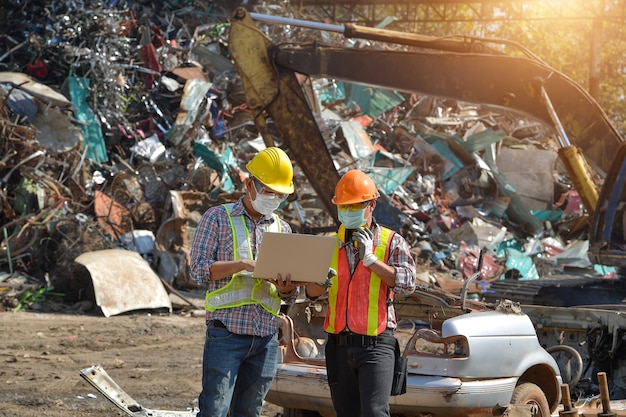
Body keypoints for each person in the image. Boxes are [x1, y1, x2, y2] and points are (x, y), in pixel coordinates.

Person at [190, 147, 300, 417]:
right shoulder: (217, 218)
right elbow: (197, 270)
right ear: (249, 184)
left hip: (266, 336)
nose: (273, 198)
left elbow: (288, 295)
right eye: (268, 191)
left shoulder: (282, 229)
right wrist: (243, 265)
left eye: (279, 194)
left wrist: (287, 289)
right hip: (226, 333)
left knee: (249, 412)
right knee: (214, 409)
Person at [306, 169, 417, 417]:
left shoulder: (391, 242)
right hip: (338, 344)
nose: (348, 212)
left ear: (371, 205)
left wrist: (371, 261)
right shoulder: (330, 243)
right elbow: (311, 293)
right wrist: (319, 282)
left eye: (356, 205)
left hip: (376, 344)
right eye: (343, 206)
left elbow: (408, 283)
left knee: (375, 413)